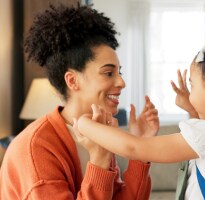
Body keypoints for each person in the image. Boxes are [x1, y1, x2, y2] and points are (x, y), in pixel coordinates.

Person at [73, 23, 205, 199]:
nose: (190, 92)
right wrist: (190, 105)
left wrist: (84, 123)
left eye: (193, 85)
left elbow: (133, 148)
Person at [0, 4, 159, 200]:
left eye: (120, 72)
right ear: (72, 80)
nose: (121, 82)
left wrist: (141, 149)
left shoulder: (98, 130)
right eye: (109, 73)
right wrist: (100, 160)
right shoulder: (36, 148)